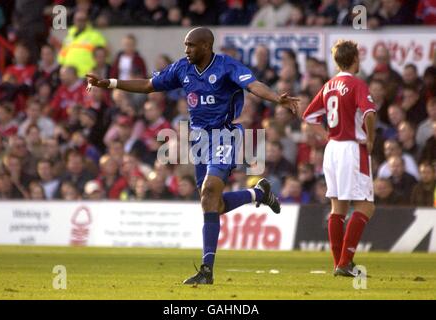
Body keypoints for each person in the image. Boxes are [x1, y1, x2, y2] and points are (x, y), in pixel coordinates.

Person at [86, 27, 299, 285]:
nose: (186, 50)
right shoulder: (181, 69)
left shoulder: (226, 66)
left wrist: (277, 98)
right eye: (185, 45)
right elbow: (147, 85)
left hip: (225, 135)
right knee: (212, 203)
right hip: (198, 139)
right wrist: (108, 83)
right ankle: (258, 194)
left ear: (206, 46)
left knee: (210, 190)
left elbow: (253, 85)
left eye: (191, 45)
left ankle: (207, 270)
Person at [302, 40, 376, 277]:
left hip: (332, 149)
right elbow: (369, 113)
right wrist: (371, 138)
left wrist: (327, 136)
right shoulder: (357, 84)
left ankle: (340, 264)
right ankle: (345, 262)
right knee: (365, 205)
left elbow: (309, 116)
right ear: (355, 59)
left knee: (338, 207)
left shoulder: (329, 85)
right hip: (352, 149)